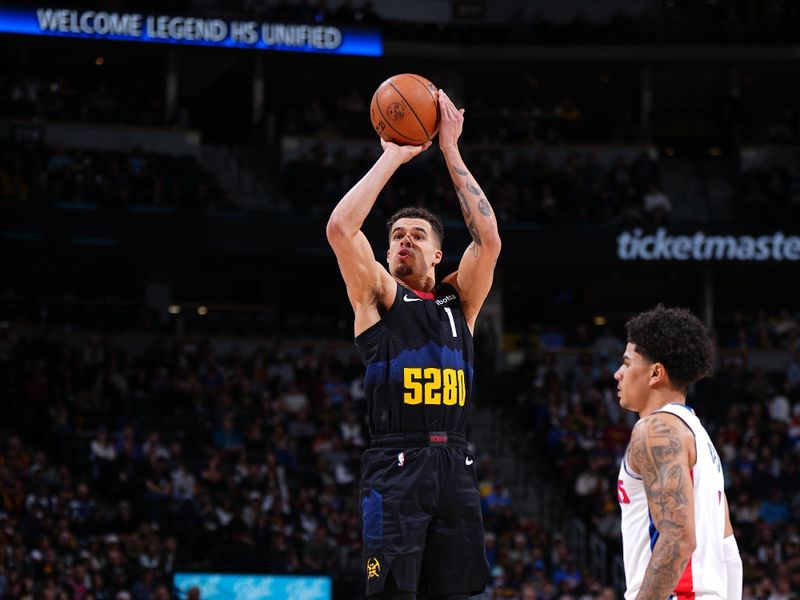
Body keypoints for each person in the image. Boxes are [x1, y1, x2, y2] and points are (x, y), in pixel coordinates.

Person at [326, 89, 501, 599]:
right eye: (397, 235)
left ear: (439, 252)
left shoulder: (459, 303)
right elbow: (340, 228)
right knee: (389, 592)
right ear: (385, 253)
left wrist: (451, 150)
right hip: (396, 466)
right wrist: (393, 154)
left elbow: (488, 240)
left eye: (416, 235)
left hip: (456, 465)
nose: (405, 240)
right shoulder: (378, 297)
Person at [614, 306, 743, 600]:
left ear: (655, 373)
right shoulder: (701, 437)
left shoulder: (655, 430)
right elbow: (730, 554)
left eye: (626, 363)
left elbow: (678, 538)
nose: (618, 374)